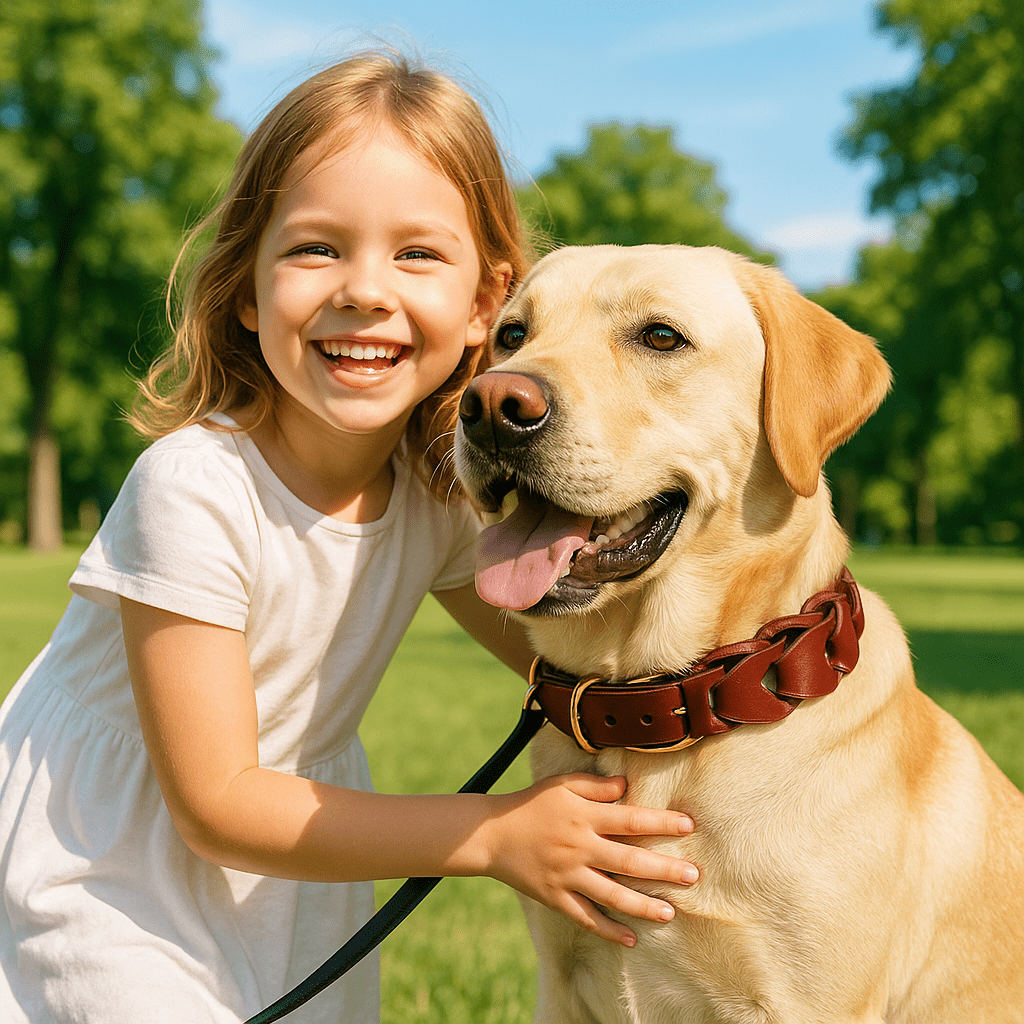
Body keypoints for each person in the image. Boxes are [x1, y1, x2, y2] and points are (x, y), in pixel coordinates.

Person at [0, 53, 699, 1024]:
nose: (365, 290)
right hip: (110, 867)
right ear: (247, 290)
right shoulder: (194, 486)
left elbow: (571, 672)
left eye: (417, 255)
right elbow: (217, 803)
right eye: (316, 249)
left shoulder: (435, 499)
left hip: (295, 863)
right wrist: (495, 834)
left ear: (485, 305)